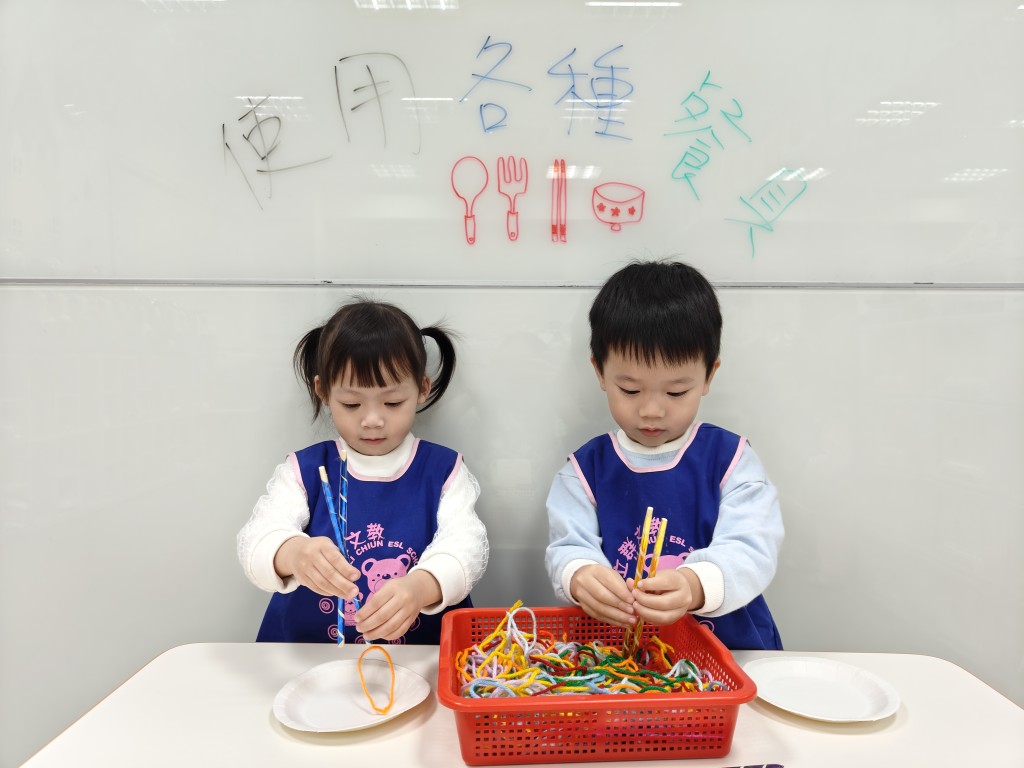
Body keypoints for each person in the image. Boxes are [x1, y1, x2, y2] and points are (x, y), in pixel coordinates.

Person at [545, 260, 783, 650]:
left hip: (728, 654)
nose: (652, 410)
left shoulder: (731, 461)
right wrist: (579, 574)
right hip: (621, 662)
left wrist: (694, 584)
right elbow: (568, 546)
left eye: (675, 392)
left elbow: (753, 548)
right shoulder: (584, 471)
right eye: (630, 390)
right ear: (600, 372)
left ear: (708, 376)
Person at [238, 299, 488, 644]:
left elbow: (466, 548)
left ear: (422, 389)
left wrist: (421, 587)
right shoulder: (304, 470)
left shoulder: (443, 470)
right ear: (323, 391)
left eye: (392, 402)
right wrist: (294, 554)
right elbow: (256, 540)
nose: (372, 420)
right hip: (308, 655)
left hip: (420, 659)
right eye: (352, 404)